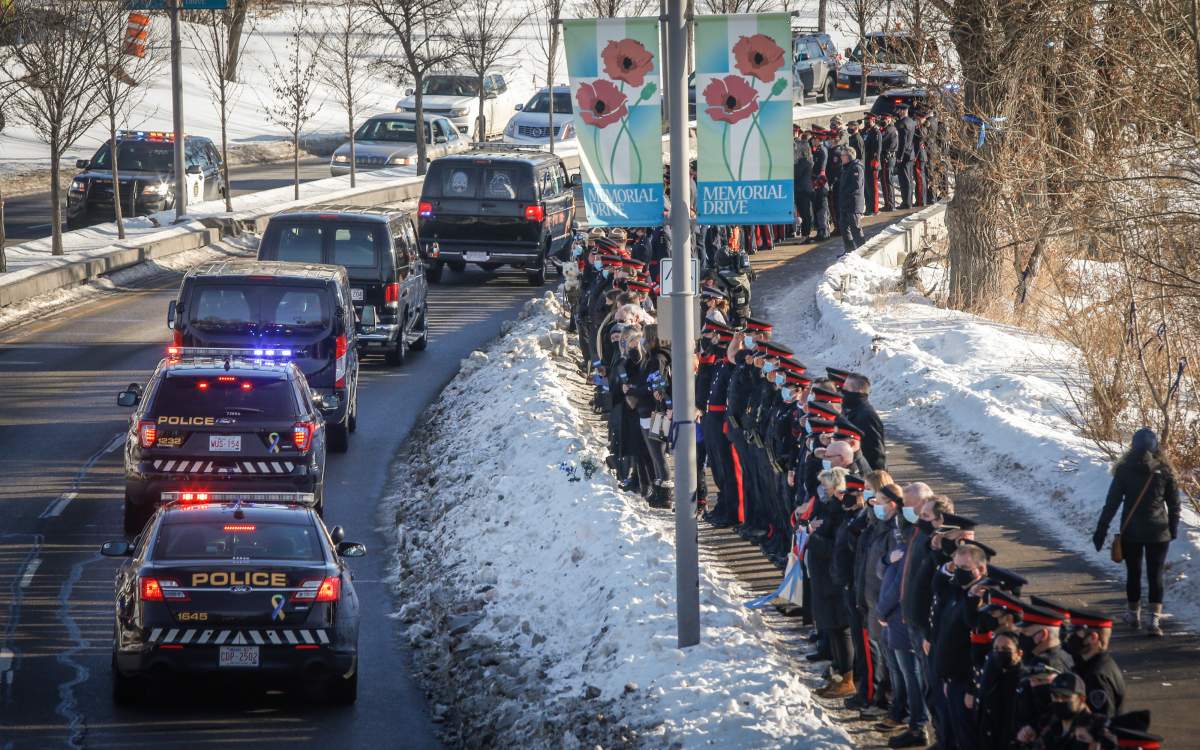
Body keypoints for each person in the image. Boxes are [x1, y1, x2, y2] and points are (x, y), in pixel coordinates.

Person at [1093, 427, 1180, 636]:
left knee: (1134, 572)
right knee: (1155, 574)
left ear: (1132, 446)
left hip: (1131, 531)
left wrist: (1101, 529)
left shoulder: (1123, 470)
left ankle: (1133, 615)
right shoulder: (1165, 471)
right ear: (1156, 447)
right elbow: (1175, 505)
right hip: (1159, 532)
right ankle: (1154, 621)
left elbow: (1111, 503)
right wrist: (1173, 528)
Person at [1064, 607, 1125, 718]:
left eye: (1076, 633)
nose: (1070, 638)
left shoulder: (1096, 676)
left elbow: (1101, 720)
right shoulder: (1094, 664)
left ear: (1092, 638)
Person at [975, 630, 1025, 750]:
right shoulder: (991, 675)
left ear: (1019, 653)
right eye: (996, 649)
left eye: (1005, 649)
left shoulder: (1022, 681)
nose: (1000, 652)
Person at [841, 373, 886, 470]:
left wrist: (877, 479)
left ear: (858, 391)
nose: (842, 392)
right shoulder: (852, 410)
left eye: (846, 389)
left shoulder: (867, 416)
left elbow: (875, 452)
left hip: (865, 474)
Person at [836, 147, 866, 255]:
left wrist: (844, 193)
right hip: (845, 203)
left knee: (855, 229)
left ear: (849, 156)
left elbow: (856, 185)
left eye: (843, 155)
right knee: (844, 228)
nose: (841, 157)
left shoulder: (856, 168)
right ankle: (850, 251)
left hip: (853, 203)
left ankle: (862, 252)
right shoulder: (846, 167)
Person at [793, 127, 815, 241]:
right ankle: (805, 233)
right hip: (802, 189)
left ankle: (806, 234)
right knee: (803, 212)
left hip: (802, 190)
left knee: (804, 213)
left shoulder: (803, 162)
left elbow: (795, 174)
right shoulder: (806, 161)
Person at [894, 104, 916, 209]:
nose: (898, 112)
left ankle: (906, 203)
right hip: (910, 154)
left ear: (903, 111)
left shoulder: (902, 124)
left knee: (904, 180)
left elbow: (902, 142)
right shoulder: (911, 121)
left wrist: (899, 156)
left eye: (899, 110)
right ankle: (909, 201)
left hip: (904, 155)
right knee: (909, 179)